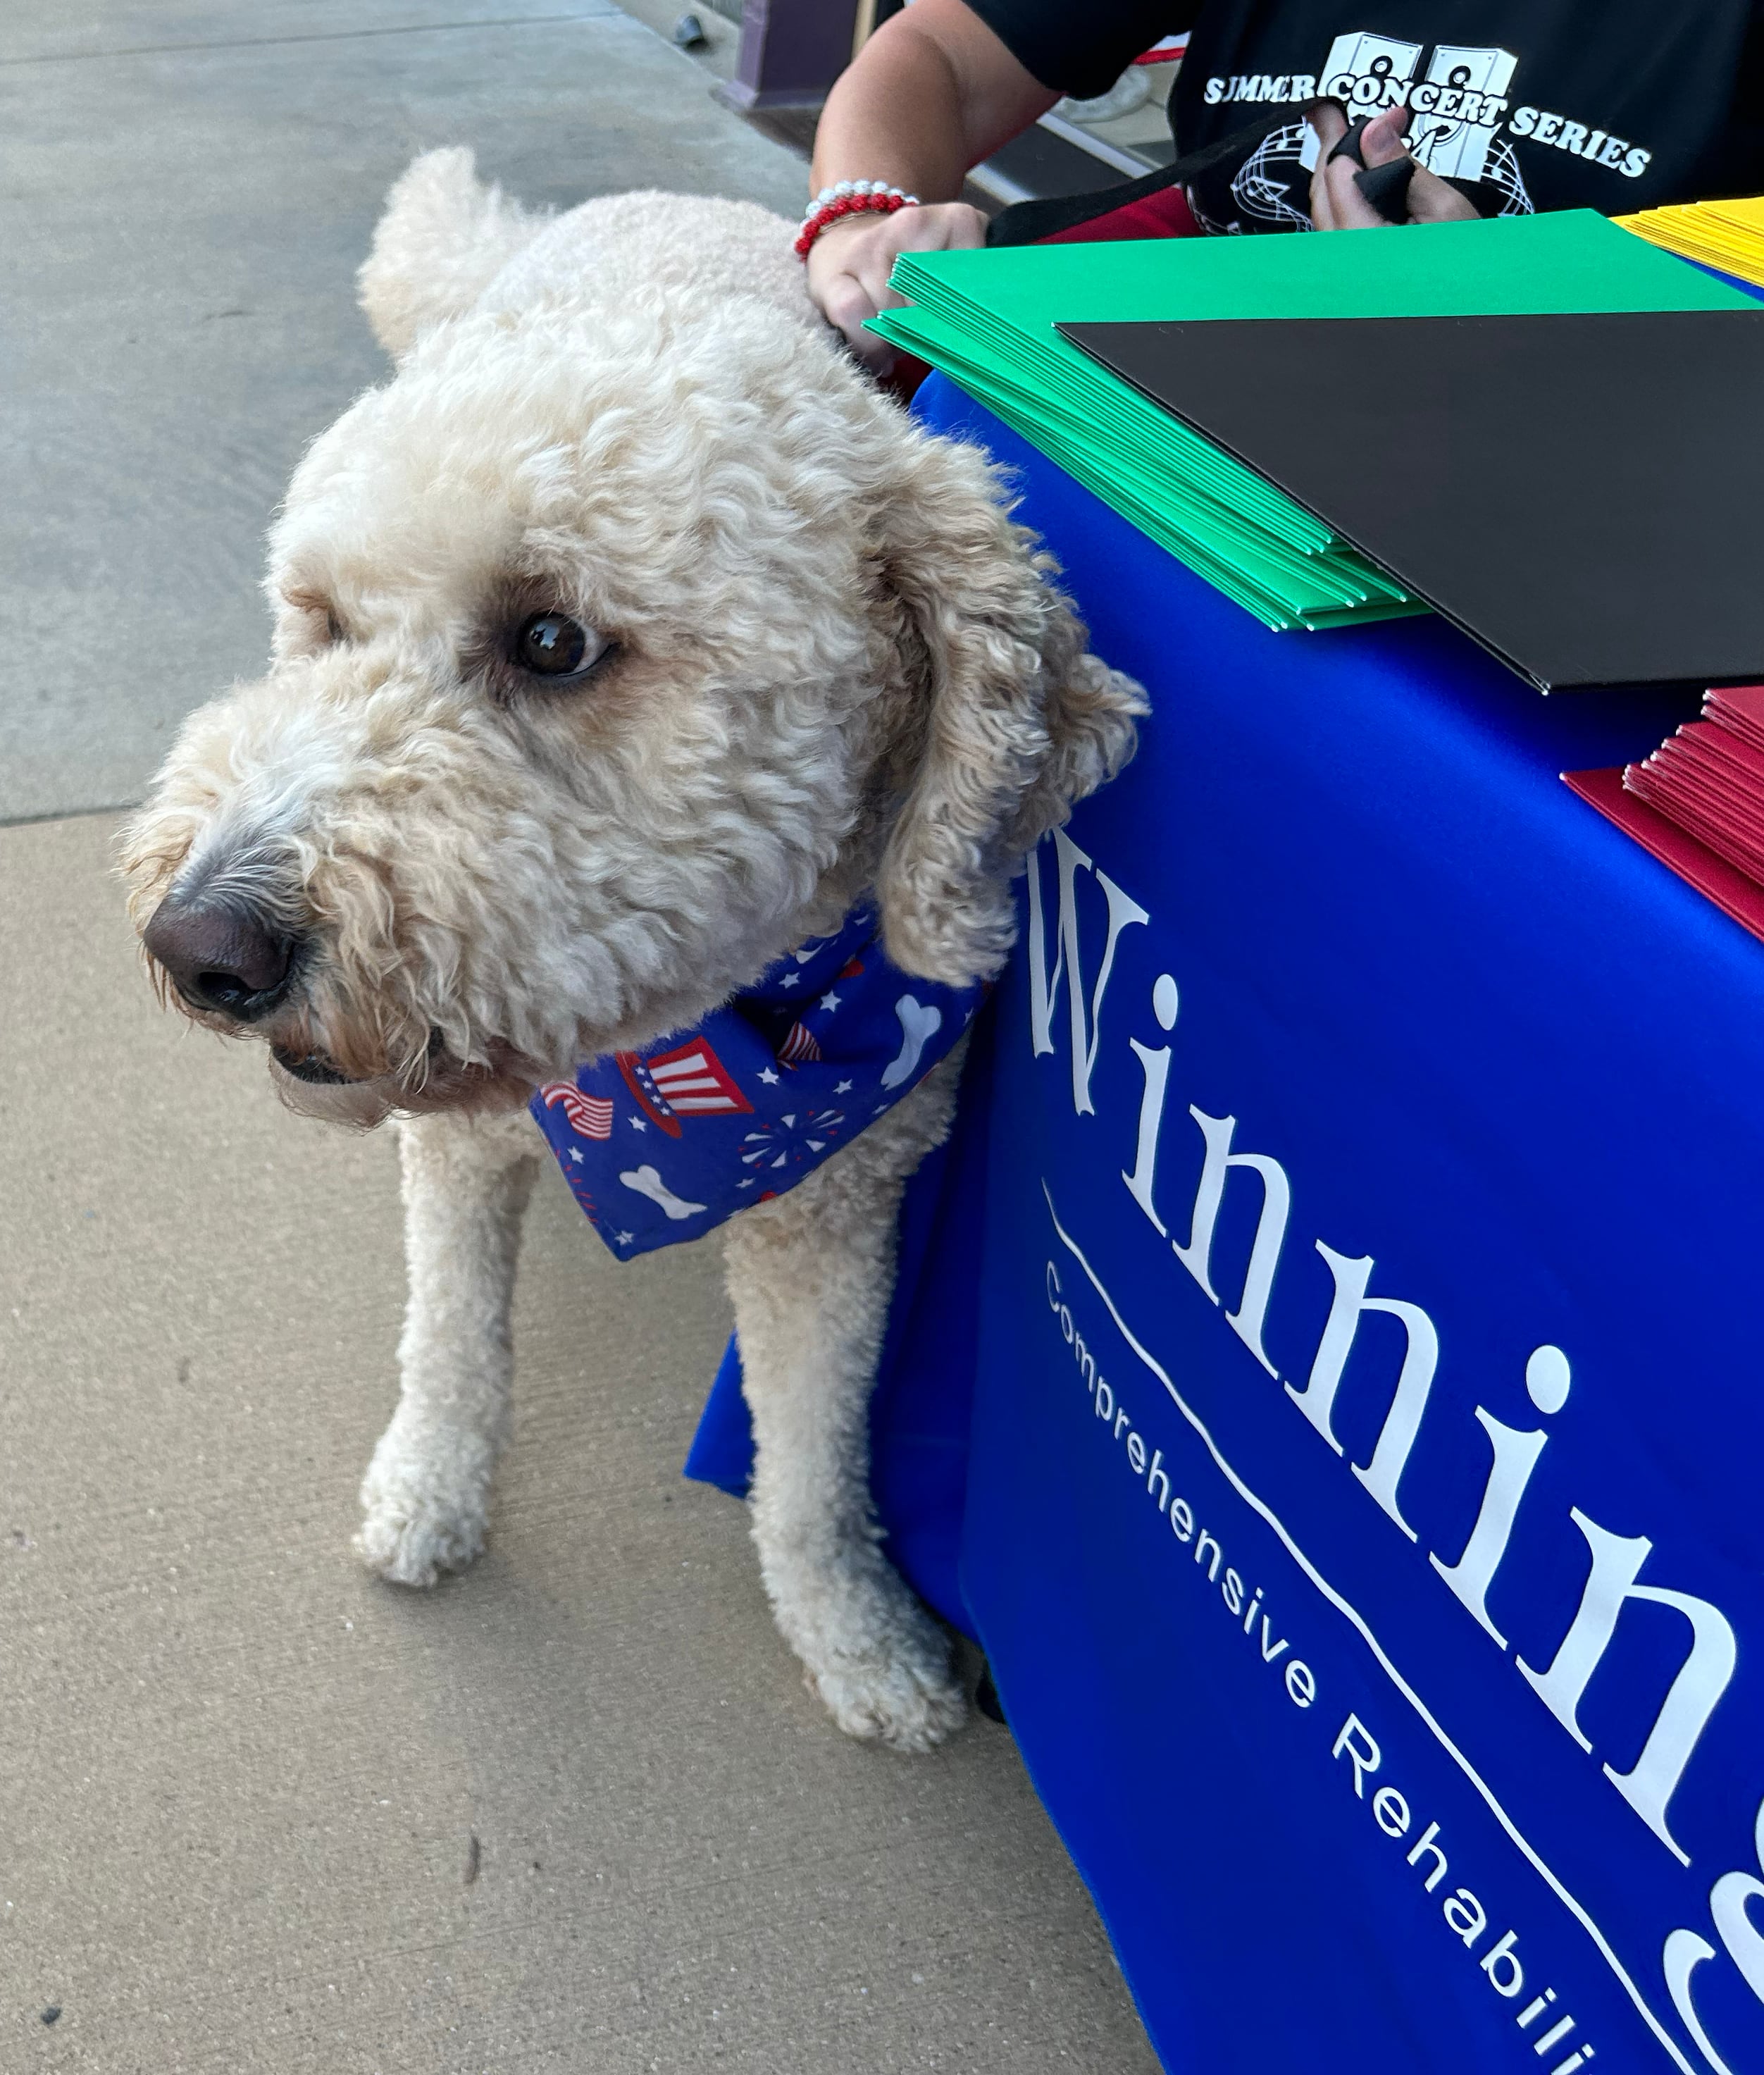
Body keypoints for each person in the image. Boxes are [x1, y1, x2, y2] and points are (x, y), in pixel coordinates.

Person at [805, 0, 1764, 366]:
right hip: (1155, 450)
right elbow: (942, 56)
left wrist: (1502, 322)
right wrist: (861, 222)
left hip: (1522, 572)